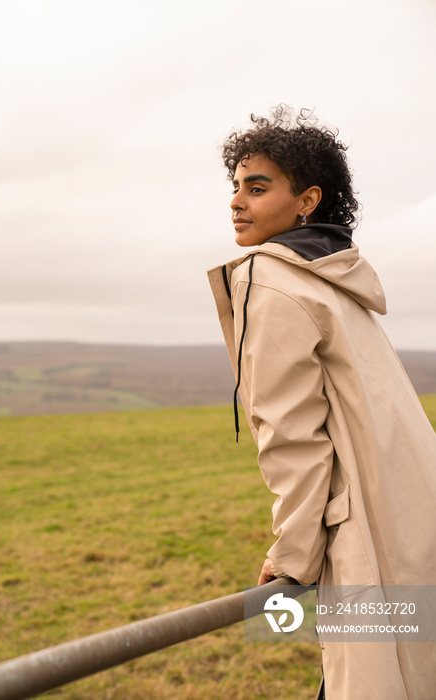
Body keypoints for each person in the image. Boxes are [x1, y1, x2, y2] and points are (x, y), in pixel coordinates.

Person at [207, 105, 436, 700]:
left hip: (366, 533)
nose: (237, 202)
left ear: (307, 200)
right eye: (235, 187)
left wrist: (290, 560)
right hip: (416, 516)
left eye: (257, 188)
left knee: (375, 683)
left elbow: (293, 437)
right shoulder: (333, 277)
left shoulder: (269, 279)